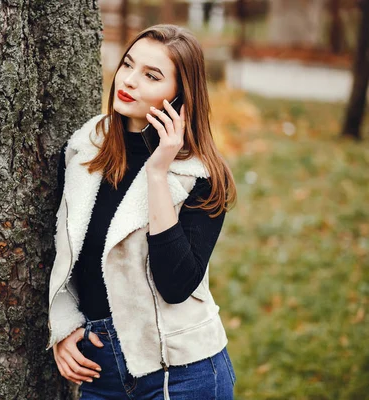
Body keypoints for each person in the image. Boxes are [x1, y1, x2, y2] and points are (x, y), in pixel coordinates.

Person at [46, 24, 238, 399]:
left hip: (182, 373)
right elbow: (64, 252)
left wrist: (158, 172)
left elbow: (176, 284)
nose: (129, 81)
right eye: (128, 65)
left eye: (151, 76)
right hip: (98, 370)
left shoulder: (201, 176)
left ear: (180, 95)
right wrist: (64, 325)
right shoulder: (84, 149)